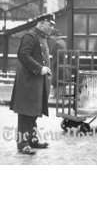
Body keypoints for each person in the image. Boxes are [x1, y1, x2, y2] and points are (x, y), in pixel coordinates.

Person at [10, 14, 55, 155]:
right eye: (50, 24)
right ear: (41, 23)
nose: (52, 28)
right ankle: (22, 144)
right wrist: (40, 68)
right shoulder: (30, 36)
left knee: (34, 112)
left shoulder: (41, 37)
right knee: (25, 113)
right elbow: (23, 55)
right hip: (28, 83)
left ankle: (32, 140)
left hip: (37, 83)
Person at [48, 29, 67, 99]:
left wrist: (52, 65)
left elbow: (55, 55)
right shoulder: (63, 42)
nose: (51, 38)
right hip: (63, 64)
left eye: (51, 36)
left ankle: (57, 95)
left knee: (56, 80)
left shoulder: (57, 44)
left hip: (58, 65)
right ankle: (61, 94)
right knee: (61, 80)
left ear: (54, 36)